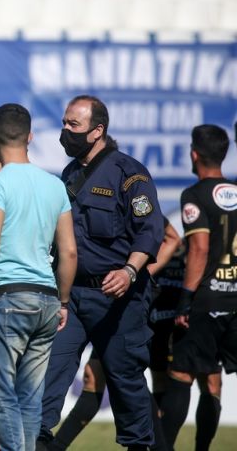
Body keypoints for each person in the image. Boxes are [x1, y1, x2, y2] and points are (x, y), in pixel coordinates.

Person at [36, 95, 164, 451]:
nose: (65, 131)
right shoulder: (70, 174)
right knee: (49, 373)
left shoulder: (129, 174)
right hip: (71, 298)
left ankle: (139, 444)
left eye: (73, 125)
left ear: (97, 131)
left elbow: (150, 230)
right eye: (64, 123)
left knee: (126, 379)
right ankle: (37, 441)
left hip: (118, 298)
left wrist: (129, 270)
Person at [0, 103, 77, 451]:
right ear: (30, 137)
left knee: (1, 394)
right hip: (47, 298)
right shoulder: (54, 185)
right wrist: (63, 301)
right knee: (30, 397)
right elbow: (69, 252)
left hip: (9, 297)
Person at [47, 219, 182, 451]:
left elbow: (171, 238)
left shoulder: (130, 201)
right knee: (97, 377)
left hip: (120, 304)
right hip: (86, 299)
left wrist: (135, 272)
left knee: (126, 378)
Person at [160, 124, 237, 450]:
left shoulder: (194, 195)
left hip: (206, 301)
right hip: (234, 301)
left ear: (194, 154)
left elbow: (200, 249)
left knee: (181, 375)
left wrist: (185, 300)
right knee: (213, 382)